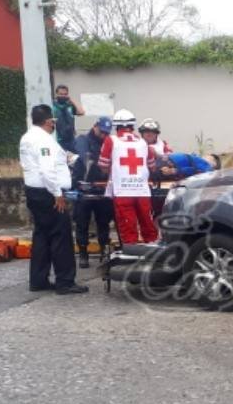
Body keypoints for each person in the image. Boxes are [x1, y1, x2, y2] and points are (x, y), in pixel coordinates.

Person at [19, 105, 88, 294]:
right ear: (49, 121)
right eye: (53, 122)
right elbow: (46, 169)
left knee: (42, 236)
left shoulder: (27, 137)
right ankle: (65, 282)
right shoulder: (43, 140)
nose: (54, 125)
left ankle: (39, 280)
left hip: (35, 191)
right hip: (48, 194)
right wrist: (57, 193)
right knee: (61, 237)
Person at [98, 109, 158, 245]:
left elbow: (103, 164)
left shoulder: (111, 140)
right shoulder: (143, 142)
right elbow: (152, 166)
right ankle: (153, 248)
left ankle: (130, 253)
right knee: (147, 222)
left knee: (128, 225)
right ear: (132, 126)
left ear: (116, 126)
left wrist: (114, 172)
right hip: (142, 190)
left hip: (122, 190)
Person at [72, 116, 114, 268]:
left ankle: (104, 250)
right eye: (102, 131)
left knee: (103, 222)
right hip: (85, 187)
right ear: (95, 126)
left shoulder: (109, 141)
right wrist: (100, 163)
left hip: (102, 188)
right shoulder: (83, 140)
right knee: (81, 222)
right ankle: (83, 253)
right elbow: (84, 156)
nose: (104, 135)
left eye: (106, 133)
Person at [52, 84, 85, 153]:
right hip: (59, 140)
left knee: (77, 157)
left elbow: (81, 112)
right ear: (56, 94)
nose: (63, 96)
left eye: (65, 94)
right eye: (61, 94)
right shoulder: (53, 106)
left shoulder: (69, 105)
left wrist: (72, 101)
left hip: (71, 139)